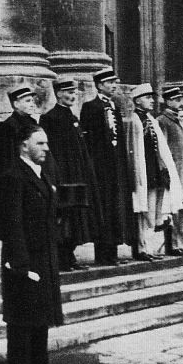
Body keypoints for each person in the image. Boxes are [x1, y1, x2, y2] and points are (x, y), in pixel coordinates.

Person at [0, 124, 63, 364]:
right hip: (23, 254)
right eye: (40, 143)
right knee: (22, 311)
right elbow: (12, 222)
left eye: (46, 143)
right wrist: (19, 261)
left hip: (44, 252)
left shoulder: (42, 173)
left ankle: (40, 361)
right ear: (24, 145)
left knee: (41, 306)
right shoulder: (13, 175)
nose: (46, 148)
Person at [40, 79, 102, 271]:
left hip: (78, 174)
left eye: (74, 93)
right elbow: (51, 152)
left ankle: (70, 256)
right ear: (58, 94)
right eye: (68, 93)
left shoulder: (72, 117)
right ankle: (63, 258)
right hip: (64, 176)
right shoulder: (50, 118)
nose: (72, 96)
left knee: (76, 217)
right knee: (65, 218)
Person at [80, 68, 136, 266]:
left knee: (115, 209)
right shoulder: (90, 107)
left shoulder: (114, 106)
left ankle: (112, 252)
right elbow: (89, 141)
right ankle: (102, 253)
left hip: (115, 167)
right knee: (103, 209)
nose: (114, 86)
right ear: (99, 85)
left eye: (115, 82)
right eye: (110, 82)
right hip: (100, 169)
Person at [0, 86, 56, 240]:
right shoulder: (8, 126)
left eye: (33, 100)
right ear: (16, 104)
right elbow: (6, 160)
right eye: (28, 100)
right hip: (20, 181)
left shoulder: (33, 124)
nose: (32, 104)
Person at [126, 83, 183, 261]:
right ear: (137, 101)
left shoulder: (150, 119)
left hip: (156, 170)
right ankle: (143, 248)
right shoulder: (134, 120)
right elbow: (132, 149)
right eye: (147, 98)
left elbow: (160, 147)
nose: (151, 101)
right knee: (144, 212)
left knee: (155, 210)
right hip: (144, 170)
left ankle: (149, 247)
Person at [156, 86, 183, 257]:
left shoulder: (180, 120)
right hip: (174, 170)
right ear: (168, 101)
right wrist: (165, 170)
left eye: (181, 99)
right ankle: (174, 244)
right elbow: (162, 148)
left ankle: (181, 242)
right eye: (177, 100)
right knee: (174, 206)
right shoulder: (163, 120)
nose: (181, 103)